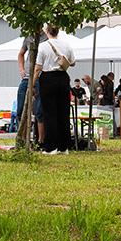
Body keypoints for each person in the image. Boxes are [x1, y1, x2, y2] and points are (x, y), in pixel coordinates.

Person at [35, 23, 74, 154]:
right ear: (58, 32)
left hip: (47, 78)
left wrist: (32, 85)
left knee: (49, 113)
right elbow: (73, 62)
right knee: (63, 112)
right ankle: (64, 147)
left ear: (46, 32)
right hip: (62, 78)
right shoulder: (66, 45)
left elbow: (38, 67)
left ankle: (51, 147)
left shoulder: (43, 46)